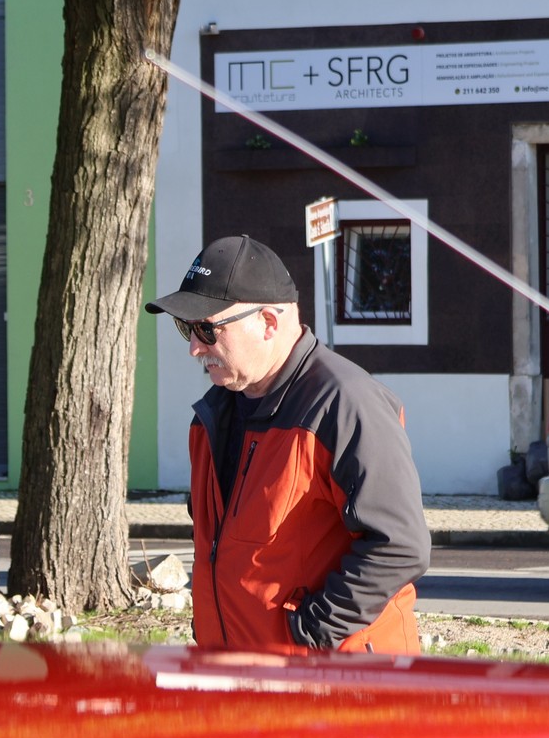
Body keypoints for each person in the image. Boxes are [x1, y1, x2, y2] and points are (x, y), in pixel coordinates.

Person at [147, 235, 430, 653]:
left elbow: (401, 545)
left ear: (268, 322)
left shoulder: (344, 404)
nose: (194, 348)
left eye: (206, 329)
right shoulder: (213, 415)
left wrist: (313, 632)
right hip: (241, 675)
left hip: (335, 681)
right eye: (185, 328)